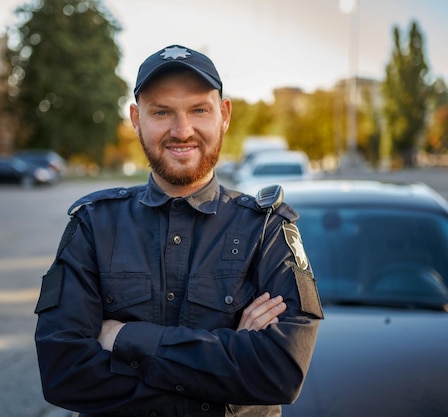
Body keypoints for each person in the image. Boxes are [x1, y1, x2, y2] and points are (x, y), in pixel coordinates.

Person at [34, 44, 323, 417]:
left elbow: (279, 373)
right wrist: (227, 369)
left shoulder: (266, 230)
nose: (182, 130)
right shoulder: (92, 225)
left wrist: (122, 338)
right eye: (162, 112)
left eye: (199, 109)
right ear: (137, 119)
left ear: (224, 114)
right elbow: (63, 372)